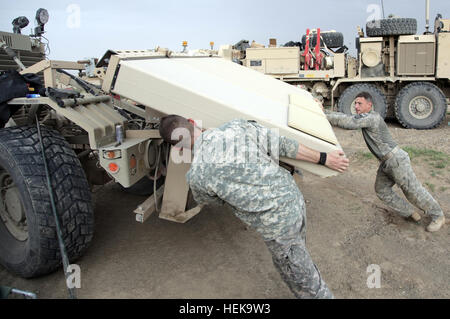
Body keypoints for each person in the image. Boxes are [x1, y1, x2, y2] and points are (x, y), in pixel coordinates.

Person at [158, 115, 349, 299]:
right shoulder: (237, 127)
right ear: (192, 122)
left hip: (277, 225)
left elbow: (214, 202)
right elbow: (283, 145)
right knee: (295, 256)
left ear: (178, 148)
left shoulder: (197, 175)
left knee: (303, 279)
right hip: (293, 200)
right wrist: (324, 158)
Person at [326, 92, 445, 232]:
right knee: (381, 190)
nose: (356, 106)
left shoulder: (372, 118)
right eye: (355, 103)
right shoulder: (365, 117)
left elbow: (348, 122)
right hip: (386, 162)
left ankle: (438, 216)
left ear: (369, 105)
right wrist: (323, 111)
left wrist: (324, 115)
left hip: (396, 160)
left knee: (412, 191)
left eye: (360, 104)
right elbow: (345, 116)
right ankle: (410, 212)